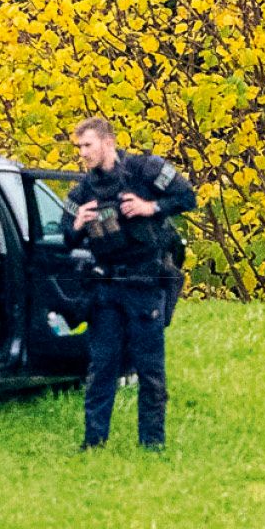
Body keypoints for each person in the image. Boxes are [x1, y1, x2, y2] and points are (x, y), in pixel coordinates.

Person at [66, 114, 195, 451]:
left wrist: (150, 207)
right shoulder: (82, 190)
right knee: (101, 368)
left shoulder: (145, 171)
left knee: (150, 370)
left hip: (144, 284)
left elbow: (188, 198)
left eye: (87, 145)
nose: (82, 153)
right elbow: (64, 240)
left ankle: (152, 443)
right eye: (79, 146)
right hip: (106, 288)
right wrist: (78, 224)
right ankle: (93, 442)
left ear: (108, 143)